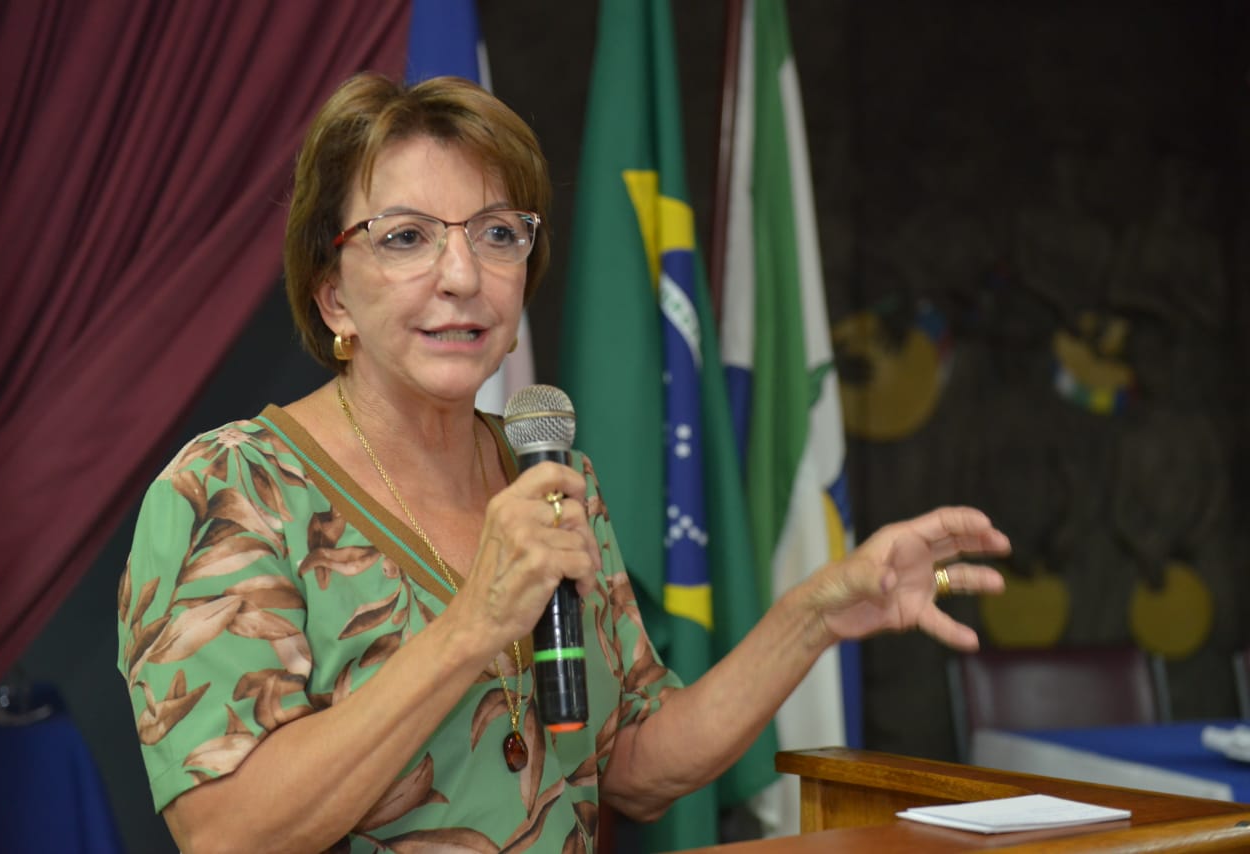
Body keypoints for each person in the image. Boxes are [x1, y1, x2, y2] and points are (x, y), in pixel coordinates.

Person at [116, 72, 1009, 853]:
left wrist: (814, 614)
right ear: (332, 297)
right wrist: (473, 625)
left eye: (498, 234)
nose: (463, 275)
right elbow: (228, 833)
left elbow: (636, 764)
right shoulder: (227, 489)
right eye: (406, 237)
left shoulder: (547, 477)